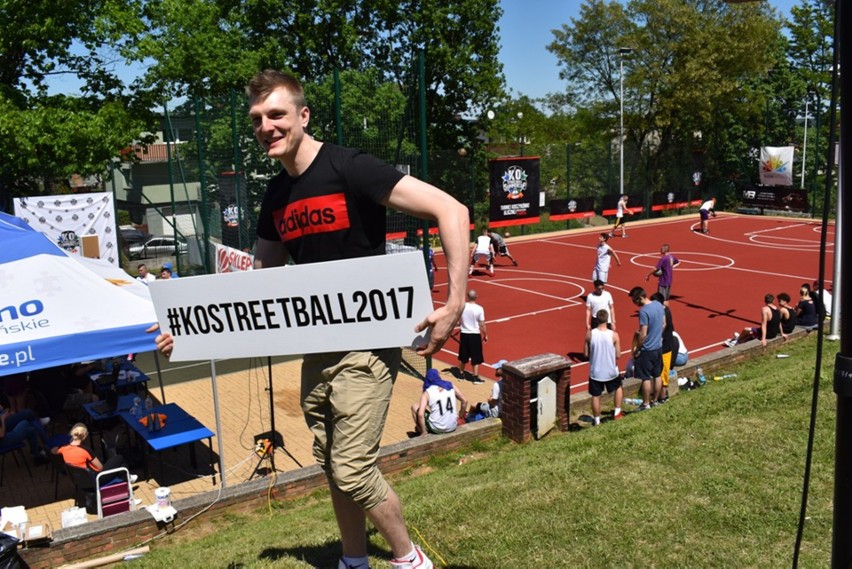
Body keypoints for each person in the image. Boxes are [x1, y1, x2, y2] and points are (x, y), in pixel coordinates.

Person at [154, 70, 469, 569]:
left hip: (368, 344)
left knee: (352, 469)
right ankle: (353, 560)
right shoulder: (275, 198)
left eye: (276, 114)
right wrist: (194, 330)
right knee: (330, 463)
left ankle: (410, 560)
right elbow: (257, 287)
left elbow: (452, 210)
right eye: (257, 119)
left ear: (302, 115)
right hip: (316, 345)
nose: (266, 126)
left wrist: (453, 303)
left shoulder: (351, 168)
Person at [52, 423, 138, 486]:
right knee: (119, 458)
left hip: (80, 481)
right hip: (95, 480)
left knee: (122, 467)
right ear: (85, 436)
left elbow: (52, 450)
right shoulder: (85, 450)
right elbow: (100, 467)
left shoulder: (63, 449)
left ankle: (127, 480)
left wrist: (62, 446)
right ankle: (128, 484)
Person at [628, 287, 665, 410]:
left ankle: (646, 403)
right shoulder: (659, 305)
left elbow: (643, 334)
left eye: (634, 301)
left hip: (647, 349)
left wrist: (637, 348)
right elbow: (664, 324)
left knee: (645, 378)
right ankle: (655, 400)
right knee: (657, 375)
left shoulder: (644, 312)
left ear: (640, 298)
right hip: (658, 347)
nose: (634, 304)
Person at [584, 309, 623, 425]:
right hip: (611, 370)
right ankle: (617, 412)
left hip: (596, 371)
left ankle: (597, 420)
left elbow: (586, 354)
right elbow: (619, 355)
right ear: (607, 319)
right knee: (618, 387)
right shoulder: (614, 335)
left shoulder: (590, 334)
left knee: (596, 396)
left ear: (597, 319)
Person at [410, 369, 467, 436]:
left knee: (414, 406)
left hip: (436, 428)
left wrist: (423, 431)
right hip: (452, 426)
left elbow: (420, 414)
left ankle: (422, 432)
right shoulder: (450, 385)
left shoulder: (427, 393)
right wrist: (460, 416)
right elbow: (465, 400)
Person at [458, 289, 487, 384]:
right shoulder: (479, 308)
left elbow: (458, 319)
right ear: (476, 297)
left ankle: (461, 374)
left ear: (467, 296)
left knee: (463, 355)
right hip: (474, 334)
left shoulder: (462, 306)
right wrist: (485, 335)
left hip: (464, 334)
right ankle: (475, 377)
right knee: (476, 357)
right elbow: (482, 324)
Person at [650, 292, 675, 403]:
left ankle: (663, 396)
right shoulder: (666, 311)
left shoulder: (663, 313)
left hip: (665, 346)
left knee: (663, 372)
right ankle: (661, 394)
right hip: (667, 344)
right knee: (662, 372)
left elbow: (664, 327)